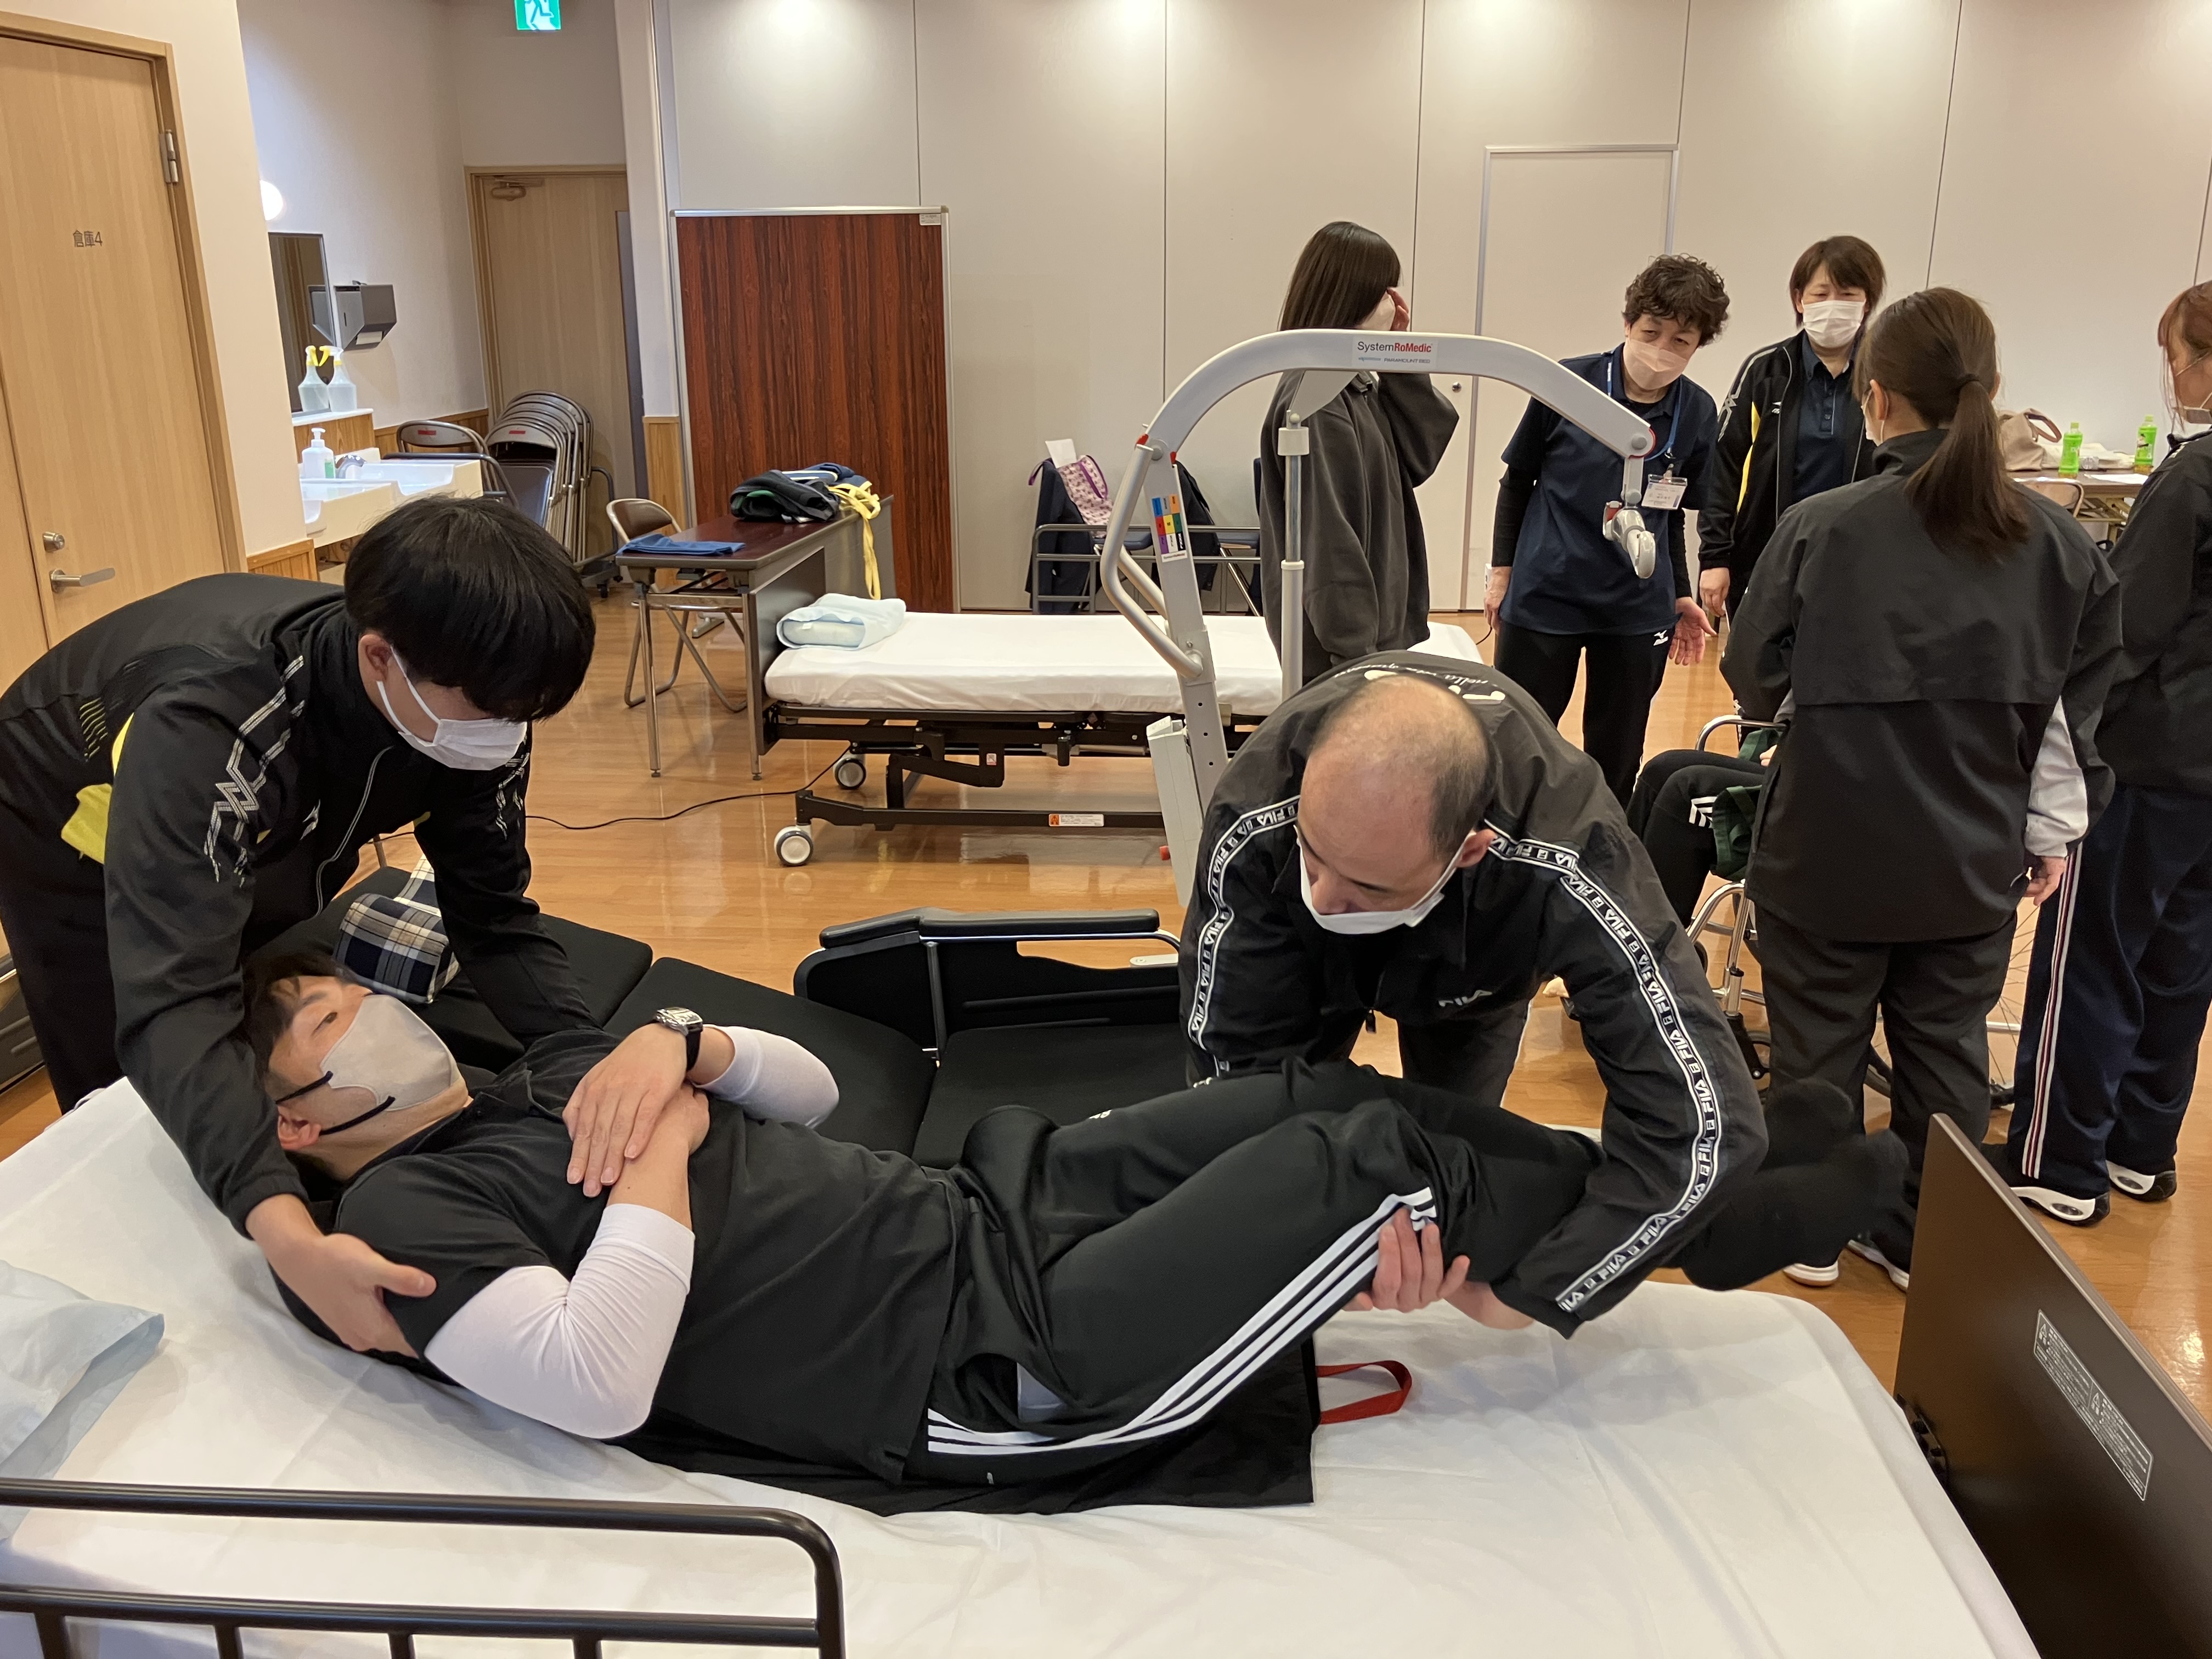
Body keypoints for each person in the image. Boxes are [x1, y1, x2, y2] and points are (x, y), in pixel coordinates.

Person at [247, 952, 1896, 1500]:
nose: (360, 1004)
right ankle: (1736, 1215)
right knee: (1370, 1163)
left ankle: (1653, 1199)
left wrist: (690, 1045)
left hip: (990, 1209)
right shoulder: (400, 1205)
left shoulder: (543, 1077)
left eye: (339, 987)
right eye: (324, 1019)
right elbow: (597, 1380)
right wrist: (673, 1133)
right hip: (989, 1366)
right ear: (301, 1124)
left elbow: (816, 1095)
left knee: (1316, 1096)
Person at [0, 494, 626, 1358]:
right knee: (134, 1063)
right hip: (65, 820)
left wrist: (592, 1058)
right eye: (493, 710)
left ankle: (266, 1185)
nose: (509, 735)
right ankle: (172, 1286)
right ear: (380, 658)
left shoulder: (471, 701)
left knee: (259, 1005)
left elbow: (492, 914)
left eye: (526, 715)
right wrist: (286, 1233)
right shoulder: (214, 724)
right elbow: (176, 997)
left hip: (276, 801)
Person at [1723, 287, 2122, 1288]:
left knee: (1817, 1050)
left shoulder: (1822, 527)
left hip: (1826, 847)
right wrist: (2050, 832)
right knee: (1946, 1058)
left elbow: (1753, 672)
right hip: (1970, 858)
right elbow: (2075, 722)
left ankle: (1813, 1234)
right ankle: (1915, 1240)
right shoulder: (2064, 547)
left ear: (1878, 396)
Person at [1176, 659, 1766, 1334]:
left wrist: (1538, 1292)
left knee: (1454, 1180)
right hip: (1297, 958)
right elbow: (1235, 1090)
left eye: (1367, 887)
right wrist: (1296, 1232)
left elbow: (1707, 1124)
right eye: (1315, 857)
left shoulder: (1570, 855)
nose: (1328, 898)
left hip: (1480, 968)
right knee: (1283, 1142)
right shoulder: (1257, 813)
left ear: (1469, 851)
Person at [1998, 281, 2212, 1224]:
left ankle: (2058, 1158)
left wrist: (2063, 742)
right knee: (2183, 961)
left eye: (2174, 356)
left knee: (2092, 955)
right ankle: (2140, 1147)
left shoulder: (2195, 476)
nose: (2171, 375)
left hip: (2152, 760)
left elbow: (2132, 627)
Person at [1486, 255, 1730, 804]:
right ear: (1628, 323)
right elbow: (1518, 481)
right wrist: (1501, 573)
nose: (1662, 350)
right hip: (1548, 589)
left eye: (1681, 341)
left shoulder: (1696, 411)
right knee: (1520, 742)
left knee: (1617, 754)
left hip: (1634, 605)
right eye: (1651, 332)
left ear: (1698, 346)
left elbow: (1669, 513)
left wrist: (1680, 593)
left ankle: (1603, 843)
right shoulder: (1569, 384)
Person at [1256, 221, 1459, 684]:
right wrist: (1356, 661)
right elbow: (1330, 546)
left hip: (1369, 640)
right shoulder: (1318, 401)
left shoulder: (1353, 383)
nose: (1395, 303)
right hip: (1346, 655)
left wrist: (1398, 357)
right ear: (1356, 296)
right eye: (1386, 290)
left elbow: (1419, 455)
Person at [1697, 236, 1887, 618]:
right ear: (1800, 300)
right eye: (1821, 294)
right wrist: (1714, 557)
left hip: (1858, 562)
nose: (1833, 304)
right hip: (1767, 555)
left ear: (1867, 303)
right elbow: (1723, 466)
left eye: (1847, 294)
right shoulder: (1765, 370)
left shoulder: (1887, 374)